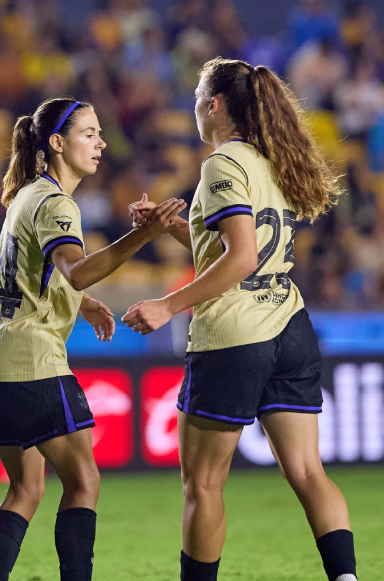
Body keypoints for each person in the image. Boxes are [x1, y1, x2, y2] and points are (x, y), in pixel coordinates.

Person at [123, 58, 357, 581]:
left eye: (197, 98)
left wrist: (168, 304)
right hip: (289, 324)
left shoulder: (222, 163)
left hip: (235, 333)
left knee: (203, 486)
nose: (194, 109)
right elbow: (237, 251)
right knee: (308, 472)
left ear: (216, 104)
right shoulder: (274, 159)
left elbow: (241, 260)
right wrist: (176, 230)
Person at [0, 97, 185, 581]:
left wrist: (80, 303)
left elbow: (28, 272)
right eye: (89, 133)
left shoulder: (27, 194)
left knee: (26, 488)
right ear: (58, 143)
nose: (101, 142)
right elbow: (76, 269)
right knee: (83, 481)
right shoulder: (55, 203)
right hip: (31, 360)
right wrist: (144, 237)